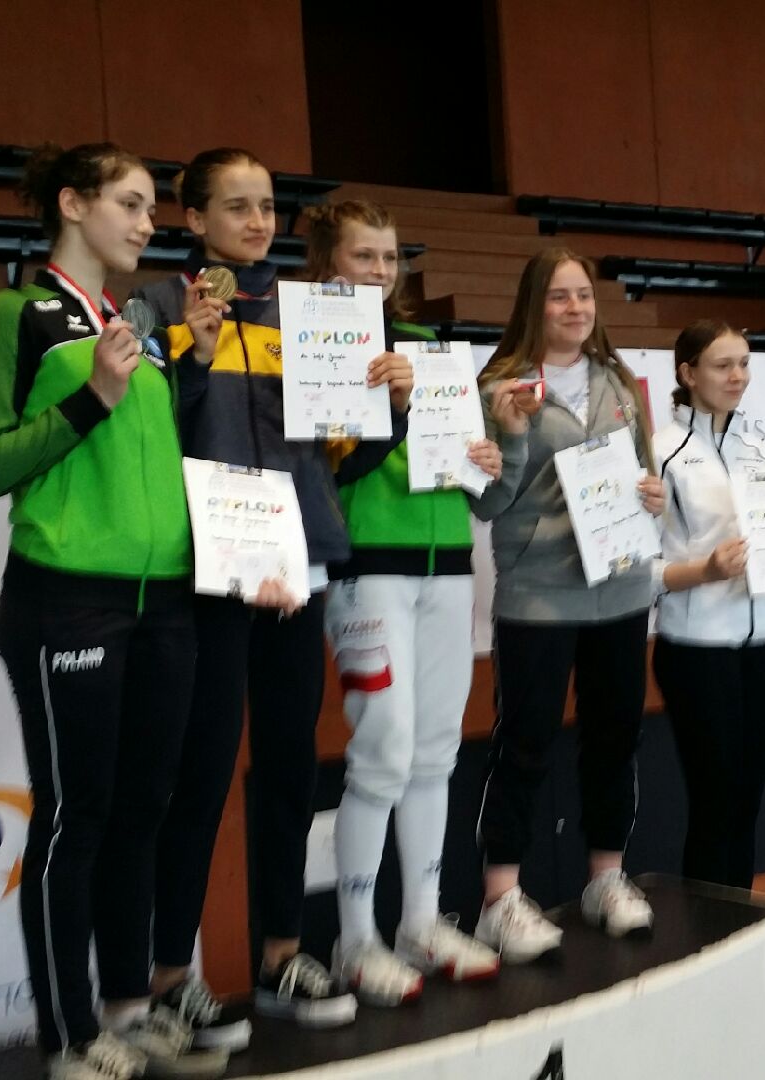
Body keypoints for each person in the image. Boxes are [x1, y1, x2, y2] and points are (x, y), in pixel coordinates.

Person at [130, 152, 412, 1042]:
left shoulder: (311, 313)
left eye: (266, 207)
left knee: (291, 768)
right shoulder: (157, 306)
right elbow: (143, 439)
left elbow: (341, 460)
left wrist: (389, 408)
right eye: (236, 207)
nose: (257, 222)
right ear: (193, 218)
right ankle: (170, 976)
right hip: (209, 573)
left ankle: (282, 955)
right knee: (200, 772)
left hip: (300, 565)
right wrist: (191, 354)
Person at [0, 143, 226, 1080]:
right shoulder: (14, 315)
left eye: (151, 207)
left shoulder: (134, 324)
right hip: (67, 602)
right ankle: (69, 1036)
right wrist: (93, 397)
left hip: (165, 603)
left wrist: (190, 366)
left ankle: (126, 1007)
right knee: (77, 818)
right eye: (131, 203)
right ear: (72, 204)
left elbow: (153, 459)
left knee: (142, 811)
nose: (149, 223)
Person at [313, 199, 529, 1005]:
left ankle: (420, 920)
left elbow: (473, 484)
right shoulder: (318, 342)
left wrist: (488, 452)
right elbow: (328, 468)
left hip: (447, 566)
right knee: (385, 746)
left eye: (389, 257)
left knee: (437, 749)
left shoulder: (432, 346)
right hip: (367, 568)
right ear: (327, 264)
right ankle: (354, 941)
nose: (379, 270)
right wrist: (394, 411)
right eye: (362, 256)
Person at [471, 247, 666, 962]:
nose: (576, 308)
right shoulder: (498, 385)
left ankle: (605, 879)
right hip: (539, 596)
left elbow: (644, 473)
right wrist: (514, 436)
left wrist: (653, 495)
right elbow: (488, 502)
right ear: (534, 304)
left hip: (620, 590)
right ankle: (500, 898)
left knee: (615, 739)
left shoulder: (619, 381)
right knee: (524, 745)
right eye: (560, 296)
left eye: (584, 294)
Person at [651, 319, 765, 889]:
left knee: (748, 803)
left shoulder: (759, 451)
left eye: (744, 363)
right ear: (688, 373)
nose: (738, 376)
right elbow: (638, 571)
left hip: (764, 647)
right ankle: (708, 932)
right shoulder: (660, 451)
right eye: (722, 365)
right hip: (698, 651)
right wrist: (705, 571)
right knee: (715, 804)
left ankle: (740, 927)